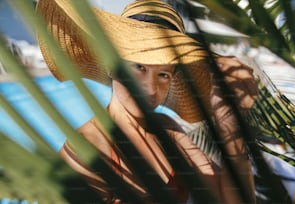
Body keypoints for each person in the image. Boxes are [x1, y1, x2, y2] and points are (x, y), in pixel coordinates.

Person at [36, 0, 258, 203]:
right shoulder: (88, 149)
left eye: (163, 75)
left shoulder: (167, 129)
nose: (151, 89)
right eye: (139, 67)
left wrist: (231, 130)